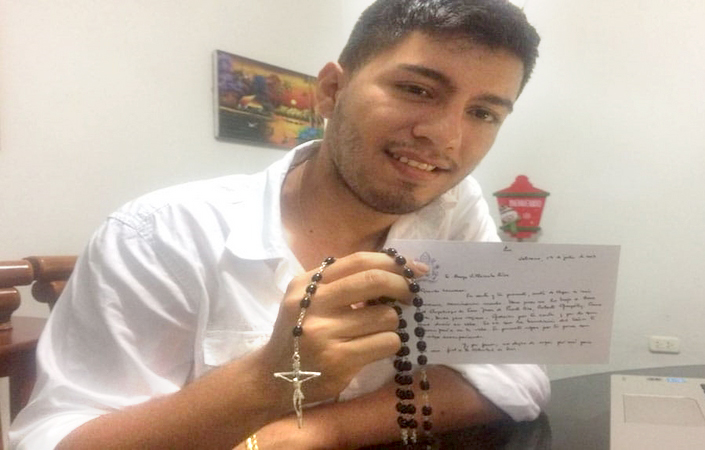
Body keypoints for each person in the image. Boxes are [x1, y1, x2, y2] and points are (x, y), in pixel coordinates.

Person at [10, 0, 549, 448]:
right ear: (331, 91)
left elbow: (515, 373)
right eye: (417, 89)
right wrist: (264, 381)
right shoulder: (160, 234)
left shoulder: (451, 210)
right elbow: (54, 440)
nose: (446, 137)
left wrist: (315, 431)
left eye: (483, 113)